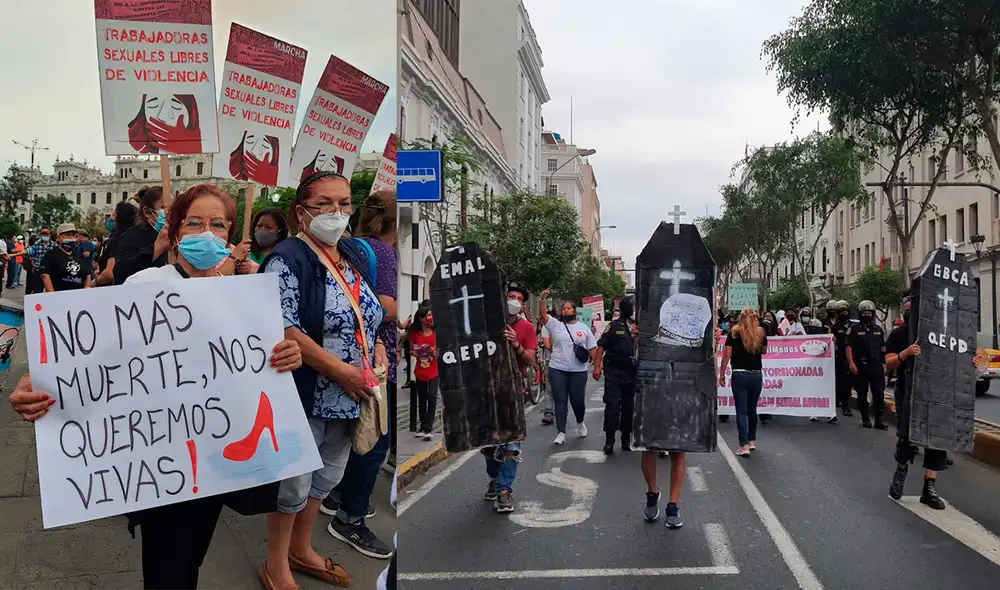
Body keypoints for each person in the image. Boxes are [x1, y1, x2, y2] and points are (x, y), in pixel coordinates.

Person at [8, 184, 304, 589]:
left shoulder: (245, 295)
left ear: (231, 234)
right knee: (167, 567)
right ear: (177, 230)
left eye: (218, 224)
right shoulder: (145, 285)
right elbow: (92, 358)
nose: (207, 232)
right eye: (195, 222)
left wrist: (288, 356)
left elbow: (262, 362)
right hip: (161, 464)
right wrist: (34, 381)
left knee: (192, 558)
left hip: (215, 458)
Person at [260, 170, 387, 590]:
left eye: (345, 203)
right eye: (324, 204)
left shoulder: (350, 255)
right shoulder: (288, 258)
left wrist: (377, 347)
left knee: (326, 478)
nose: (337, 212)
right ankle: (276, 563)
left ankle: (303, 548)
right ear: (301, 213)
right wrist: (341, 371)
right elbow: (283, 325)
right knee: (293, 481)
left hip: (349, 395)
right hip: (306, 391)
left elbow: (364, 314)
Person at [321, 189, 396, 560]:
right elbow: (382, 306)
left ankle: (336, 495)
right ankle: (349, 516)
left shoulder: (355, 248)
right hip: (376, 358)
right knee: (374, 439)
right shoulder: (382, 252)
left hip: (362, 355)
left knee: (354, 435)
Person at [885, 296, 986, 509]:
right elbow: (889, 361)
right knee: (907, 437)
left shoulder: (945, 334)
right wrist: (907, 353)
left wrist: (974, 362)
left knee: (938, 440)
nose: (909, 312)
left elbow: (971, 355)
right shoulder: (900, 334)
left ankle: (929, 487)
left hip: (939, 394)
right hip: (909, 392)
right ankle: (900, 472)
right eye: (906, 309)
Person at [479, 281, 538, 513]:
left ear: (522, 305)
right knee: (488, 445)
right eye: (510, 296)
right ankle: (494, 477)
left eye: (518, 298)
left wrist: (515, 344)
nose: (513, 300)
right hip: (486, 392)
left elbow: (530, 360)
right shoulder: (488, 324)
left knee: (512, 444)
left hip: (513, 394)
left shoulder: (526, 329)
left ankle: (504, 491)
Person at [539, 289, 597, 445]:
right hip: (558, 369)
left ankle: (580, 421)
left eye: (569, 308)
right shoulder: (556, 325)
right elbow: (544, 316)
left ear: (574, 311)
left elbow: (593, 349)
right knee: (560, 401)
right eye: (563, 308)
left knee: (577, 401)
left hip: (578, 371)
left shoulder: (583, 328)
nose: (566, 310)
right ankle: (561, 432)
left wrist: (598, 366)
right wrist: (542, 299)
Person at [719, 309, 767, 457]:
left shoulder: (734, 332)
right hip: (756, 374)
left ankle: (743, 445)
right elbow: (764, 351)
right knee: (752, 409)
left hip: (739, 374)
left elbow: (727, 353)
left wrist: (722, 373)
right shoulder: (761, 333)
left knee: (741, 410)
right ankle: (752, 441)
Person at [594, 296, 637, 454]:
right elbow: (601, 346)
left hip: (631, 374)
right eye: (633, 307)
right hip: (614, 373)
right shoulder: (613, 326)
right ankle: (609, 440)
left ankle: (626, 439)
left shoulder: (639, 327)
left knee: (629, 407)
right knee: (612, 406)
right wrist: (597, 367)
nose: (635, 310)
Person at [846, 300, 888, 430]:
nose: (867, 315)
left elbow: (883, 348)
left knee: (879, 394)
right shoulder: (854, 329)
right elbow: (849, 347)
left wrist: (885, 364)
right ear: (860, 314)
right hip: (861, 366)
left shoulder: (878, 330)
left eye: (869, 313)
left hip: (876, 366)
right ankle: (865, 418)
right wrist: (851, 363)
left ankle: (879, 420)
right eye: (864, 313)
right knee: (862, 393)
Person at [407, 308, 437, 441]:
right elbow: (411, 350)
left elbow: (440, 350)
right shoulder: (415, 334)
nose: (430, 318)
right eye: (428, 315)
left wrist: (434, 352)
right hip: (420, 370)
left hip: (434, 370)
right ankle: (422, 425)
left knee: (432, 397)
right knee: (422, 398)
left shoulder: (436, 333)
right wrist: (416, 352)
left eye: (431, 315)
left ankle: (429, 427)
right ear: (421, 318)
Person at [97, 201, 140, 285]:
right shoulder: (136, 238)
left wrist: (95, 281)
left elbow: (109, 274)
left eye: (113, 215)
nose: (111, 219)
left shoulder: (116, 241)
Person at [39, 224, 91, 291]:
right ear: (58, 237)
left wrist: (86, 291)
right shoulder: (51, 254)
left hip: (78, 296)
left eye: (74, 235)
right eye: (68, 235)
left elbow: (87, 273)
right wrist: (52, 294)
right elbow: (44, 275)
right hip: (59, 295)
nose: (71, 238)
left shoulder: (79, 255)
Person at [238, 207, 289, 274]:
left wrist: (259, 271)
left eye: (268, 227)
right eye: (259, 226)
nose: (262, 230)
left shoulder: (287, 257)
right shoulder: (246, 253)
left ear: (280, 232)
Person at [831, 300, 853, 418]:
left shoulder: (854, 326)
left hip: (854, 358)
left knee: (852, 383)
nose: (844, 313)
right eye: (841, 312)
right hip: (840, 359)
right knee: (842, 383)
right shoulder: (834, 328)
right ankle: (845, 406)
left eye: (845, 311)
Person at [25, 229, 53, 295]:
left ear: (49, 235)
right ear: (41, 235)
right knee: (37, 289)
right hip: (38, 270)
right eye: (43, 234)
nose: (45, 236)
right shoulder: (37, 244)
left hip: (50, 270)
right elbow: (31, 255)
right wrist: (33, 265)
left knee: (50, 290)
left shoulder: (54, 245)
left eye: (46, 234)